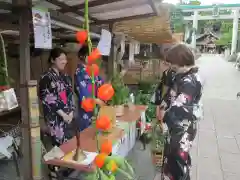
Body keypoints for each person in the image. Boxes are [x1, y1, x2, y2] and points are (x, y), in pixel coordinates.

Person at [39, 48, 75, 146]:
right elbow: (47, 99)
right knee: (60, 146)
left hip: (68, 117)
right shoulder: (46, 77)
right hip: (56, 117)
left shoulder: (66, 77)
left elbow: (70, 95)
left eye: (65, 59)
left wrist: (71, 112)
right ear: (52, 60)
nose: (64, 61)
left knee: (71, 144)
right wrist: (63, 115)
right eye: (61, 59)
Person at [75, 45, 105, 131]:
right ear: (82, 56)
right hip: (87, 109)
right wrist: (97, 101)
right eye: (90, 55)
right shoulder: (80, 72)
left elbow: (100, 83)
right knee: (87, 134)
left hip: (97, 106)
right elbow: (83, 92)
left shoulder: (91, 69)